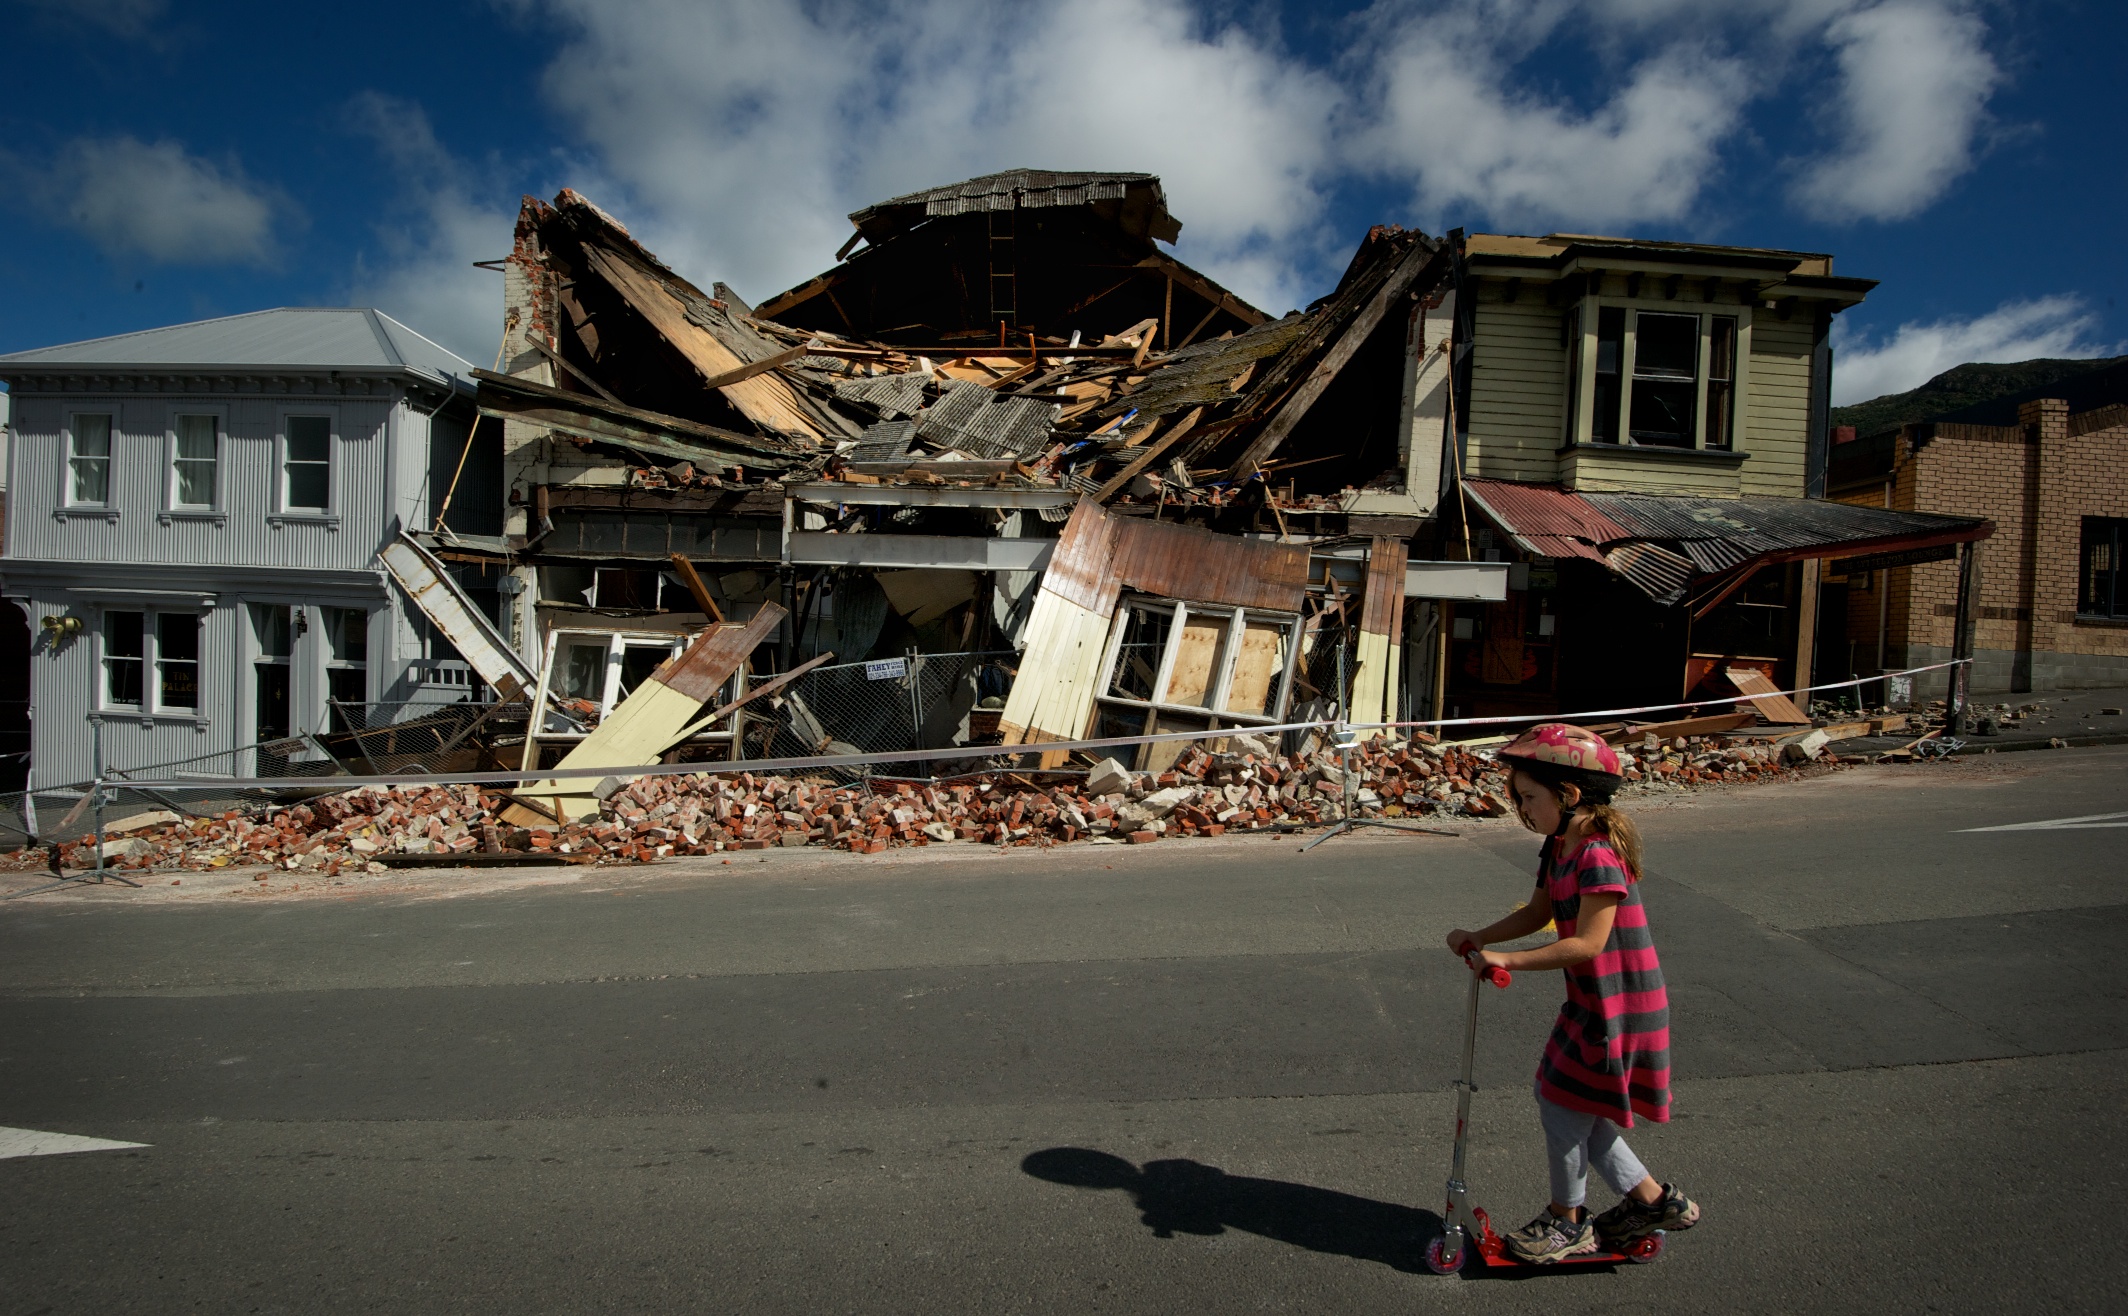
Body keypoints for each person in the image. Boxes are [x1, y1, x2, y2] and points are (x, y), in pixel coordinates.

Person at [1444, 722, 1701, 1264]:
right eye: (1517, 796)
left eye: (1529, 796)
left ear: (1570, 794)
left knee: (1562, 1105)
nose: (1521, 808)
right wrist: (1479, 938)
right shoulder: (1558, 844)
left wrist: (1505, 960)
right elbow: (1540, 913)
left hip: (1621, 1005)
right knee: (1567, 1103)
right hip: (1591, 1001)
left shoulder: (1597, 854)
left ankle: (1567, 1222)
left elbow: (1587, 943)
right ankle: (1653, 1201)